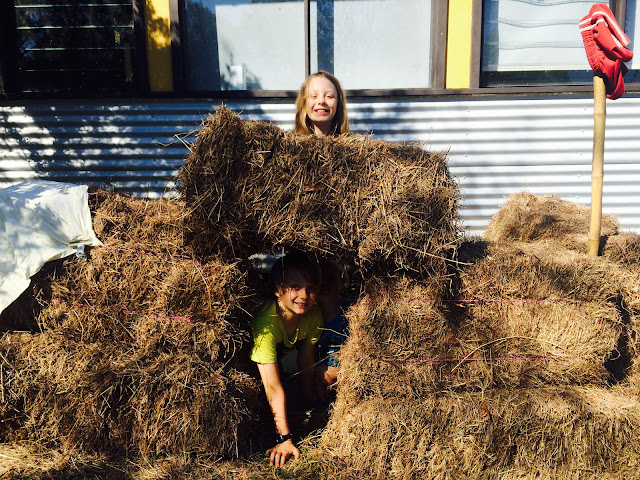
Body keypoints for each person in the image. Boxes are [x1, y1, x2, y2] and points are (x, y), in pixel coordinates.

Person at [250, 251, 323, 467]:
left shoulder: (313, 316)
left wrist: (308, 401)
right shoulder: (266, 323)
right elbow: (272, 386)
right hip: (251, 368)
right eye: (295, 287)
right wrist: (284, 438)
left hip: (276, 364)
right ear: (277, 290)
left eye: (310, 288)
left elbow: (306, 360)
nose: (304, 295)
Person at [314, 260, 351, 403]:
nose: (325, 284)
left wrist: (341, 371)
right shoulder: (311, 316)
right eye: (320, 280)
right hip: (323, 374)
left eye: (331, 278)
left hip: (349, 369)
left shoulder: (352, 310)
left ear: (341, 282)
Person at [294, 71, 349, 137]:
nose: (321, 101)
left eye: (329, 96)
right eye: (314, 96)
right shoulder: (288, 143)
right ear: (303, 103)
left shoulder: (354, 143)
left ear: (338, 103)